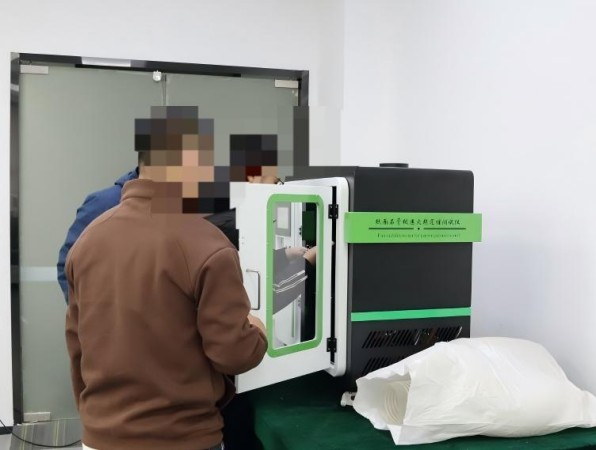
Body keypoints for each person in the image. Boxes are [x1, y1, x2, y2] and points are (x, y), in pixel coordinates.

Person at [65, 106, 267, 450]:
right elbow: (233, 354)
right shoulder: (207, 244)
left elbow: (77, 348)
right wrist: (257, 330)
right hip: (182, 438)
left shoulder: (89, 240)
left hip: (100, 438)